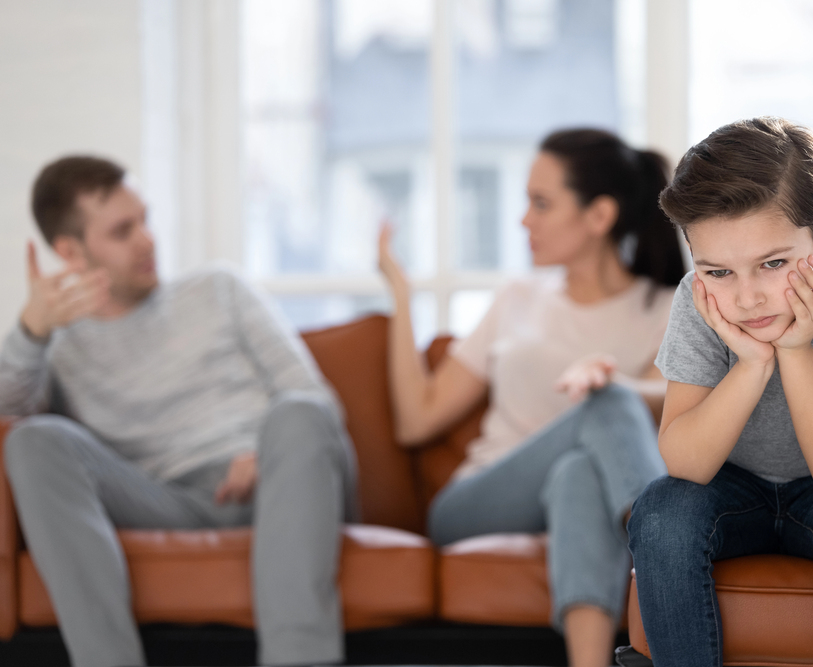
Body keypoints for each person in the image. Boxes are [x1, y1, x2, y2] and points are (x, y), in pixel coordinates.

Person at [0, 156, 360, 667]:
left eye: (145, 219)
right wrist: (32, 332)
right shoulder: (59, 350)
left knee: (300, 412)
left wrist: (264, 452)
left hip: (284, 485)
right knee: (32, 441)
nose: (147, 239)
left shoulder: (220, 289)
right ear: (70, 252)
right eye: (123, 231)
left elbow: (317, 400)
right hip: (171, 501)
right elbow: (8, 414)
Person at [627, 117, 813, 666]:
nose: (746, 299)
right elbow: (687, 465)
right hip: (734, 488)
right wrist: (750, 363)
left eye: (773, 264)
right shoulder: (699, 301)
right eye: (719, 271)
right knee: (661, 509)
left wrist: (796, 350)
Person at [378, 128, 686, 667]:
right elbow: (416, 420)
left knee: (578, 471)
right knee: (606, 407)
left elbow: (678, 398)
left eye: (541, 203)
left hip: (580, 491)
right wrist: (402, 297)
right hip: (480, 501)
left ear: (599, 216)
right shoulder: (518, 299)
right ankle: (669, 553)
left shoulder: (665, 308)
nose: (524, 220)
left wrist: (613, 385)